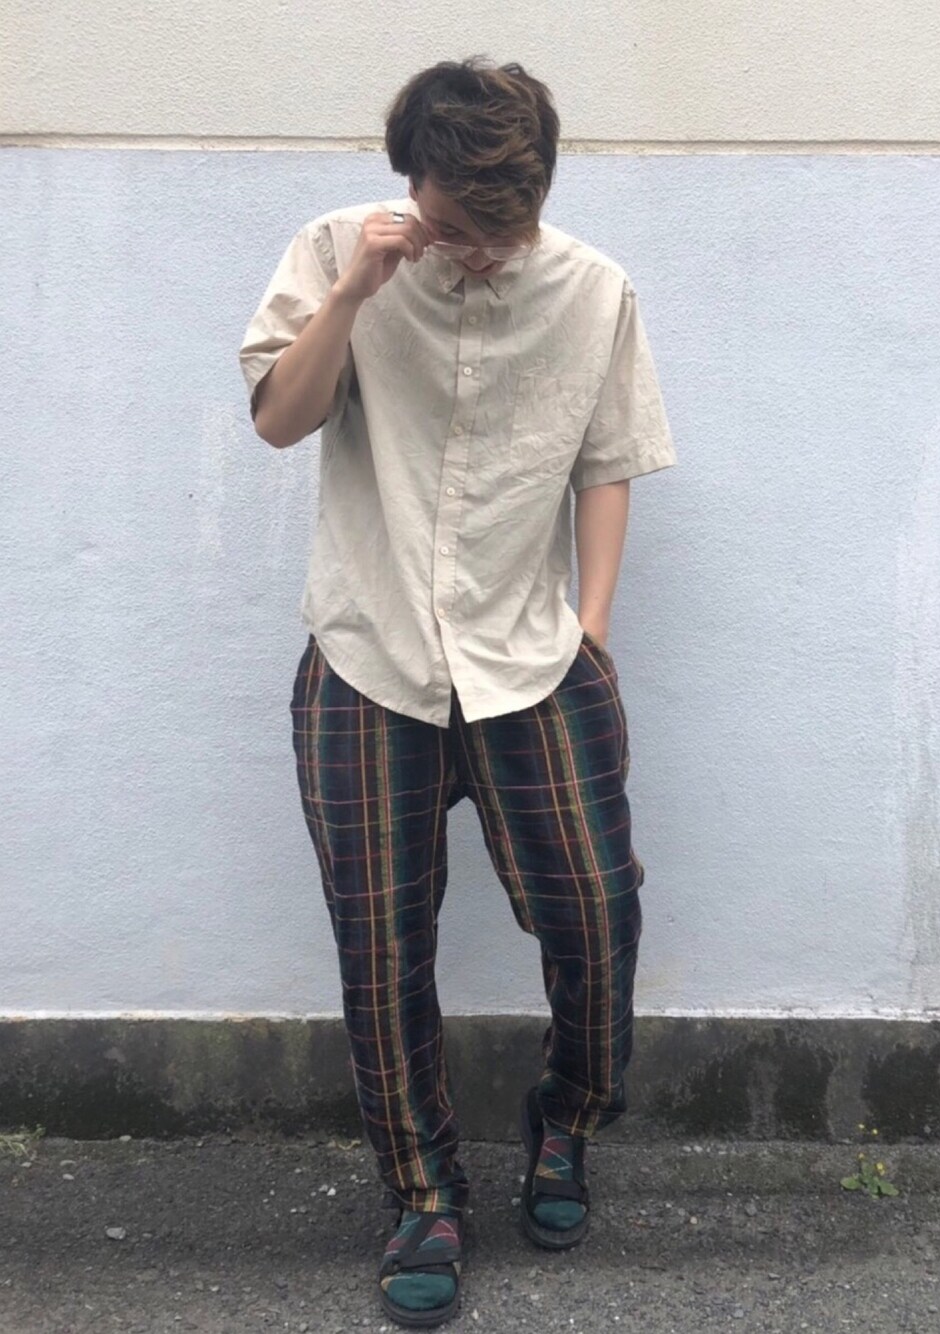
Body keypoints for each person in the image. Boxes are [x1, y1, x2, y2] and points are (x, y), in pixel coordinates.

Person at [239, 55, 675, 1329]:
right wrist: (357, 293)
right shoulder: (334, 251)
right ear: (410, 182)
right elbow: (279, 420)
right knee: (381, 944)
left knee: (596, 912)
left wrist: (592, 624)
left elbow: (607, 458)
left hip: (533, 654)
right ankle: (422, 1191)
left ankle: (566, 1119)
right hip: (366, 648)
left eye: (508, 228)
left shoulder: (591, 287)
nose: (484, 252)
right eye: (456, 227)